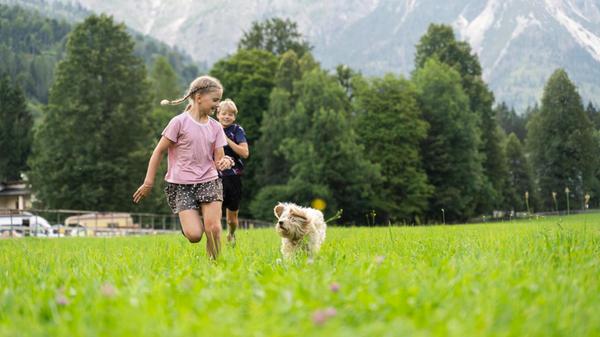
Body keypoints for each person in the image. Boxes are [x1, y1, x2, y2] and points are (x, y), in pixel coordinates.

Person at [132, 75, 234, 259]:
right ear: (199, 97)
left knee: (214, 228)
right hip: (181, 185)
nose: (218, 105)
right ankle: (188, 222)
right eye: (215, 100)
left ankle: (216, 267)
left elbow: (219, 159)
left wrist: (226, 161)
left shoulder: (216, 127)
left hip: (209, 180)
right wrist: (148, 183)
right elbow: (158, 152)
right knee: (195, 235)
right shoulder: (179, 122)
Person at [215, 99, 249, 245]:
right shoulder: (211, 127)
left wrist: (227, 140)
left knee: (231, 218)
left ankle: (231, 234)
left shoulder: (237, 130)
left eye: (230, 114)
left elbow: (245, 153)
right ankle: (215, 240)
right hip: (214, 176)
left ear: (234, 117)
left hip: (233, 177)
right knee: (214, 213)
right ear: (218, 114)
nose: (227, 117)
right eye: (224, 114)